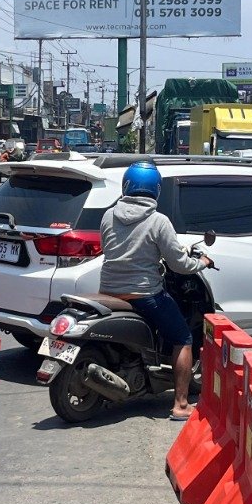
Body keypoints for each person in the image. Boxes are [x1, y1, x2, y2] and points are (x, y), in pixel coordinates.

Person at [98, 161, 211, 421]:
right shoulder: (158, 221)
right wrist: (201, 262)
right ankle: (181, 404)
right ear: (156, 190)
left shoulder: (108, 215)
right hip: (143, 294)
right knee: (183, 338)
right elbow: (179, 265)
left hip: (108, 290)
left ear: (126, 185)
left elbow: (109, 248)